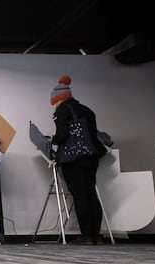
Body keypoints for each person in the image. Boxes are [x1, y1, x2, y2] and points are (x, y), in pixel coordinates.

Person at [50, 75, 107, 245]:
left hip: (73, 158)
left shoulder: (62, 110)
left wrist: (52, 140)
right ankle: (96, 235)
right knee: (91, 193)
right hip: (91, 156)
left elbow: (61, 136)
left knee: (79, 195)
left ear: (58, 99)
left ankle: (86, 236)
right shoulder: (87, 110)